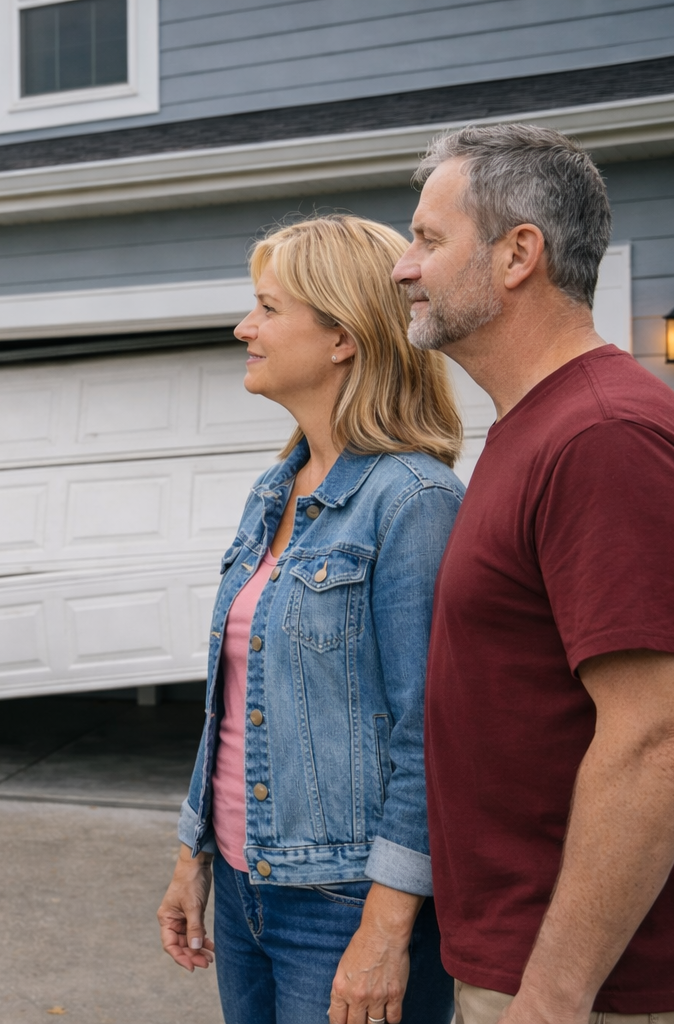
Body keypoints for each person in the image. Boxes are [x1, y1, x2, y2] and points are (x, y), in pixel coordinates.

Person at [394, 123, 674, 1024]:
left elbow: (659, 739)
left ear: (518, 255)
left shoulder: (605, 438)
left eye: (428, 239)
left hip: (597, 989)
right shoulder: (537, 428)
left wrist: (550, 997)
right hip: (531, 963)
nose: (403, 267)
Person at [157, 214, 463, 1024]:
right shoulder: (274, 491)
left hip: (344, 901)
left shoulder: (414, 502)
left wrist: (386, 928)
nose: (243, 327)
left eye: (266, 307)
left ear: (342, 337)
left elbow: (430, 736)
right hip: (244, 881)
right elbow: (232, 697)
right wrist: (195, 855)